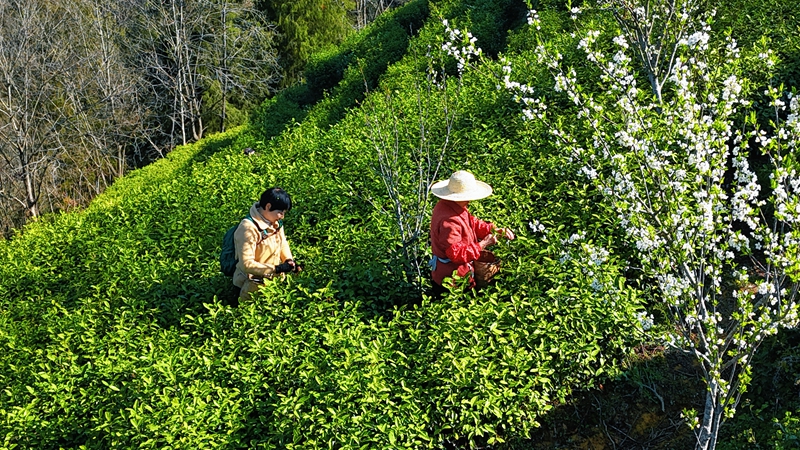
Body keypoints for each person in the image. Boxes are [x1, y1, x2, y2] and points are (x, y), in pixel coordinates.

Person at [429, 171, 514, 297]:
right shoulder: (449, 221)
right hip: (452, 281)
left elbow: (472, 223)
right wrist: (483, 244)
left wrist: (494, 230)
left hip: (456, 275)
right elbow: (456, 254)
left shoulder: (450, 205)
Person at [233, 187, 300, 300]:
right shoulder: (248, 228)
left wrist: (288, 260)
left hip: (272, 281)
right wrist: (277, 269)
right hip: (251, 284)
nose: (282, 216)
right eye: (280, 212)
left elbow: (282, 242)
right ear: (268, 206)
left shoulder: (276, 223)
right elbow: (247, 264)